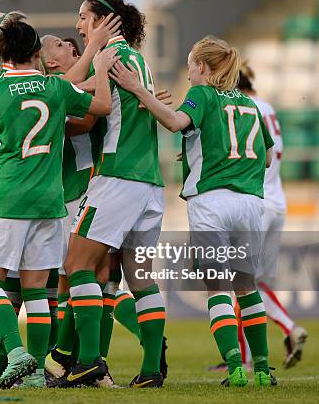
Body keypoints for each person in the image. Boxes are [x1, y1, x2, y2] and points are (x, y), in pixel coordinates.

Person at [110, 35, 277, 387]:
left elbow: (174, 122)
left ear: (201, 67)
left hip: (212, 203)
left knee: (218, 289)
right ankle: (262, 369)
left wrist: (139, 90)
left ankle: (234, 368)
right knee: (247, 288)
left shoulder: (202, 94)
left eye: (189, 67)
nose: (188, 76)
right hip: (250, 203)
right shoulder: (251, 105)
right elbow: (263, 157)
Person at [0, 18, 116, 389]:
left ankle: (15, 353)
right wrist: (99, 67)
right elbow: (101, 105)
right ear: (37, 53)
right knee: (38, 290)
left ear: (0, 52)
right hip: (51, 202)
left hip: (8, 199)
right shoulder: (54, 87)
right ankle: (37, 372)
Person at [59, 0, 167, 389]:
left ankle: (87, 362)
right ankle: (153, 368)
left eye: (84, 17)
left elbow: (67, 90)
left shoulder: (113, 57)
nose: (78, 26)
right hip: (151, 183)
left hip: (118, 177)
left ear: (105, 21)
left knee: (76, 265)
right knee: (140, 278)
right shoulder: (139, 59)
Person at [235, 64, 308, 370]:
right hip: (278, 202)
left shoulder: (244, 107)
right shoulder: (268, 108)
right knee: (257, 283)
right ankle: (250, 358)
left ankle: (289, 328)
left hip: (258, 204)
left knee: (243, 282)